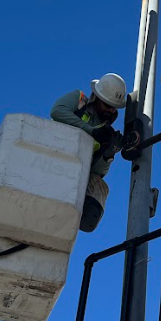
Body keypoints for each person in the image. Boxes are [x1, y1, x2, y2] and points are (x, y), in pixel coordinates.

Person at [50, 73, 128, 232]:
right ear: (98, 98)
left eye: (114, 107)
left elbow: (95, 172)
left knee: (98, 184)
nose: (111, 110)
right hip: (52, 155)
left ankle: (84, 218)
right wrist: (91, 131)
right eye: (107, 105)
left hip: (74, 172)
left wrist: (109, 154)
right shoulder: (78, 100)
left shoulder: (106, 132)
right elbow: (57, 111)